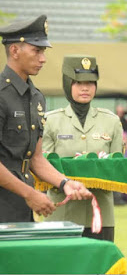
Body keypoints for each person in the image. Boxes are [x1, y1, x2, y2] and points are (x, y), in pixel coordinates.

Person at [0, 15, 92, 222]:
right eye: (37, 50)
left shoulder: (36, 97)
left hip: (21, 203)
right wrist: (30, 194)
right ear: (14, 50)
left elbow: (36, 158)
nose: (43, 58)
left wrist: (65, 183)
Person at [42, 55, 123, 242]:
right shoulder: (51, 121)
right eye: (78, 83)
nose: (85, 88)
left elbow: (118, 166)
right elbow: (42, 166)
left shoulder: (111, 121)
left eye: (90, 82)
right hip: (61, 213)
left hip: (100, 214)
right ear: (67, 84)